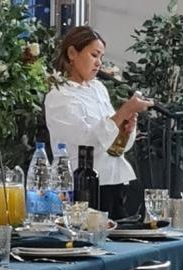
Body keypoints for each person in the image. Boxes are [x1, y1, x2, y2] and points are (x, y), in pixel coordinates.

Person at [44, 26, 152, 219]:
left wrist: (126, 129)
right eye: (94, 55)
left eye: (101, 57)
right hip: (82, 187)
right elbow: (86, 144)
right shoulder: (59, 95)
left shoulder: (98, 89)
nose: (98, 63)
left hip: (114, 180)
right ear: (72, 53)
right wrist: (123, 112)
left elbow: (114, 146)